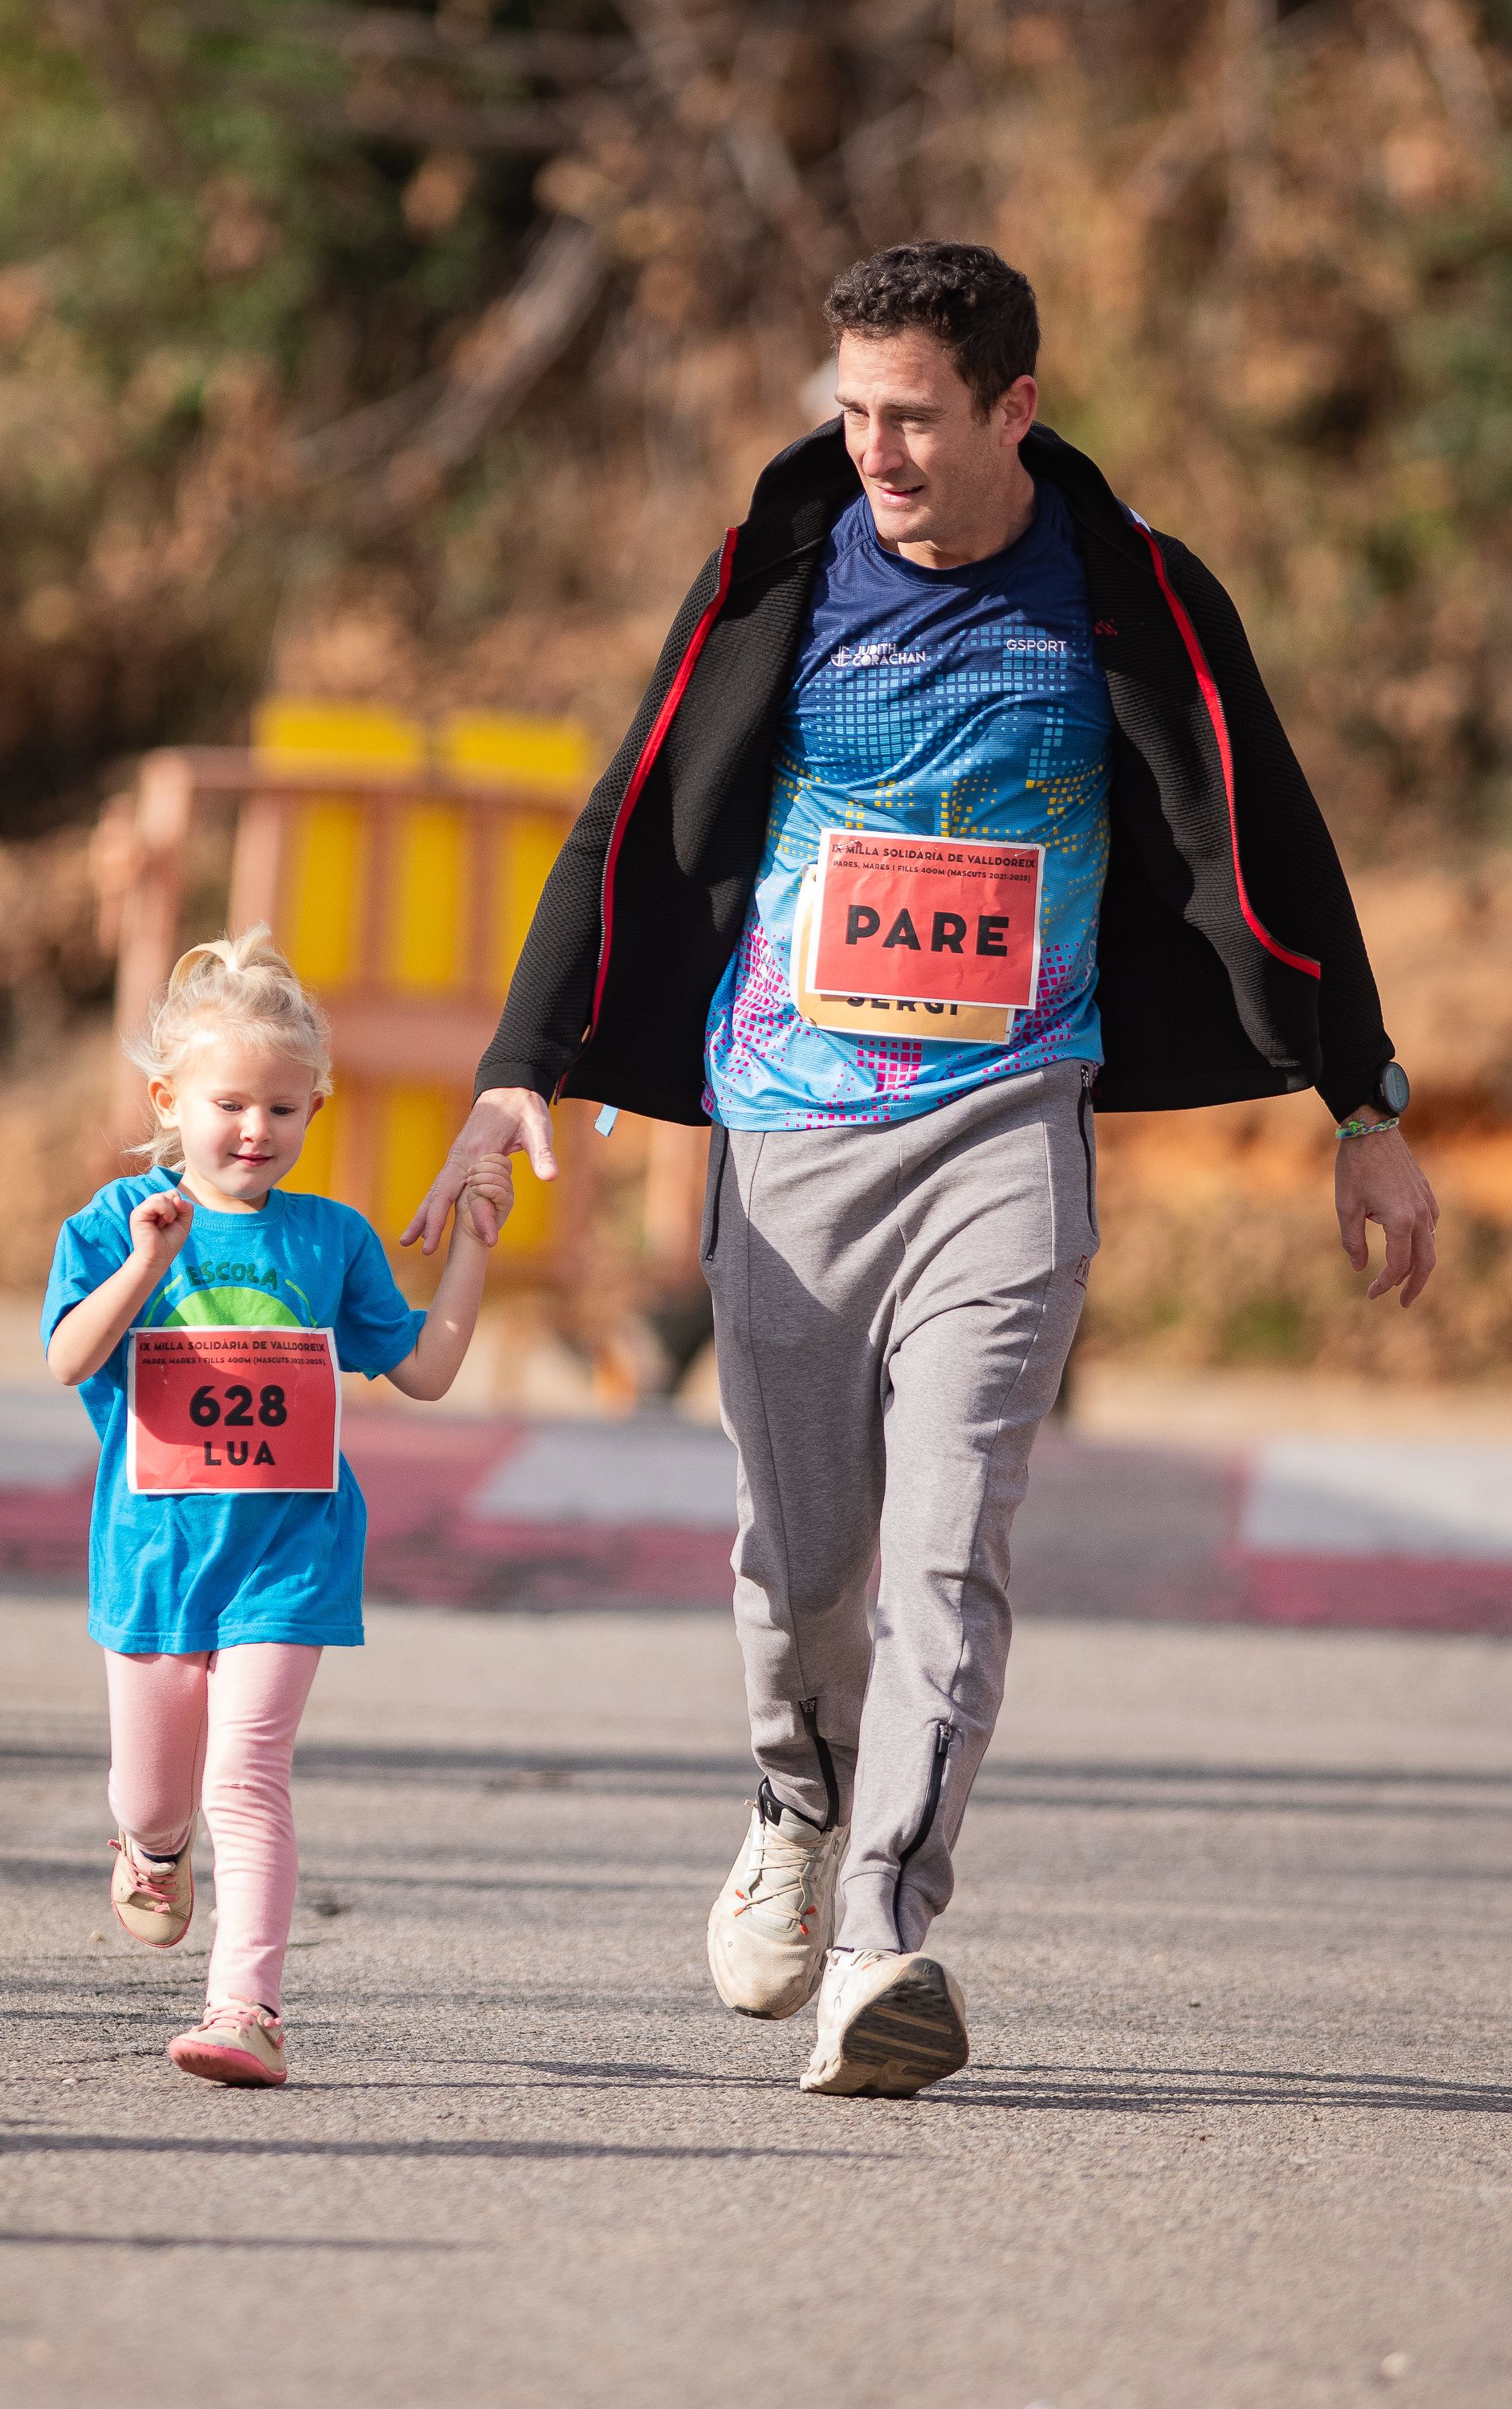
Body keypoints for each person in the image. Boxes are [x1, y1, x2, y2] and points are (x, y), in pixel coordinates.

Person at [403, 243, 1439, 2100]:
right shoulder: (773, 579)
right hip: (788, 1135)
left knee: (950, 1554)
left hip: (1005, 1125)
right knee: (804, 1564)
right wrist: (513, 1073)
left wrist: (1361, 1109)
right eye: (852, 410)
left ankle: (881, 1934)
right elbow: (622, 819)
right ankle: (794, 1811)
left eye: (914, 416)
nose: (876, 448)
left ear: (1012, 409)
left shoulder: (1126, 595)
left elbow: (1267, 833)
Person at [44, 927, 511, 2088]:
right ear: (170, 1098)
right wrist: (145, 1270)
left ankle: (246, 2008)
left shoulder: (330, 1239)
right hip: (154, 1556)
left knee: (245, 1776)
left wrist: (471, 1255)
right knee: (155, 1794)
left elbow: (427, 1373)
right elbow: (67, 1358)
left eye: (287, 1111)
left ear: (315, 1113)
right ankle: (154, 1852)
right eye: (232, 1104)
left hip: (288, 1559)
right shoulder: (116, 1221)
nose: (258, 1131)